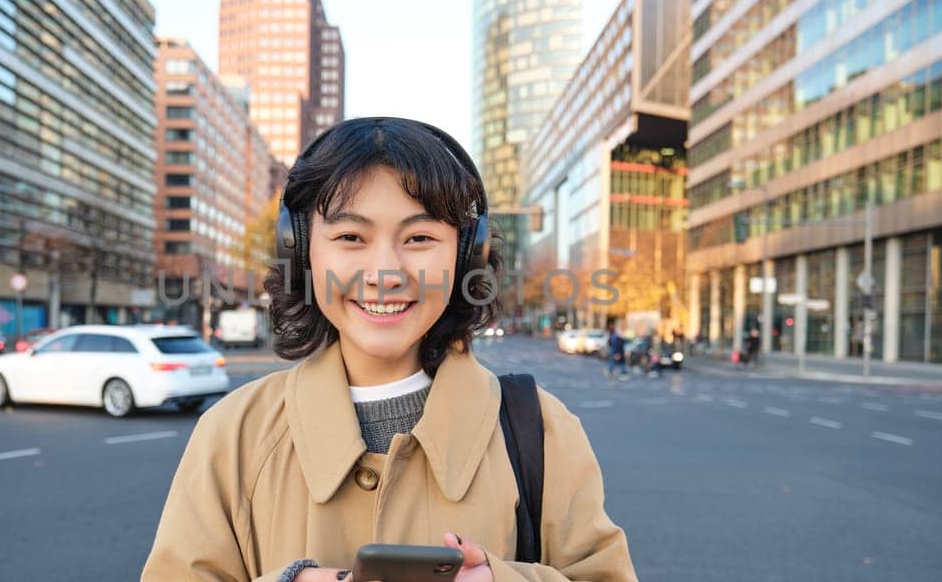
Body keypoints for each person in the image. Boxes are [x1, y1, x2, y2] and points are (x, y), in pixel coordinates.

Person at [142, 118, 634, 581]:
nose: (385, 272)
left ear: (467, 257)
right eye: (350, 236)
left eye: (419, 237)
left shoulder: (541, 431)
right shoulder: (233, 435)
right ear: (301, 250)